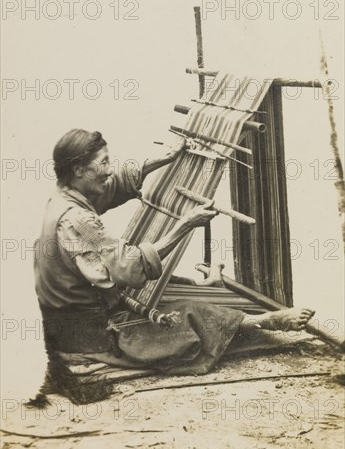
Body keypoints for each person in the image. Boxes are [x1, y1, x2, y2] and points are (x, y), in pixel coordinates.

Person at [34, 129, 315, 404]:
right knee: (188, 314)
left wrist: (164, 158)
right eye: (104, 162)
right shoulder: (77, 219)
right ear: (79, 170)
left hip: (70, 317)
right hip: (91, 330)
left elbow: (110, 189)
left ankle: (211, 290)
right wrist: (184, 226)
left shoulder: (62, 199)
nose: (110, 170)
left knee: (170, 284)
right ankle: (264, 321)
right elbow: (131, 269)